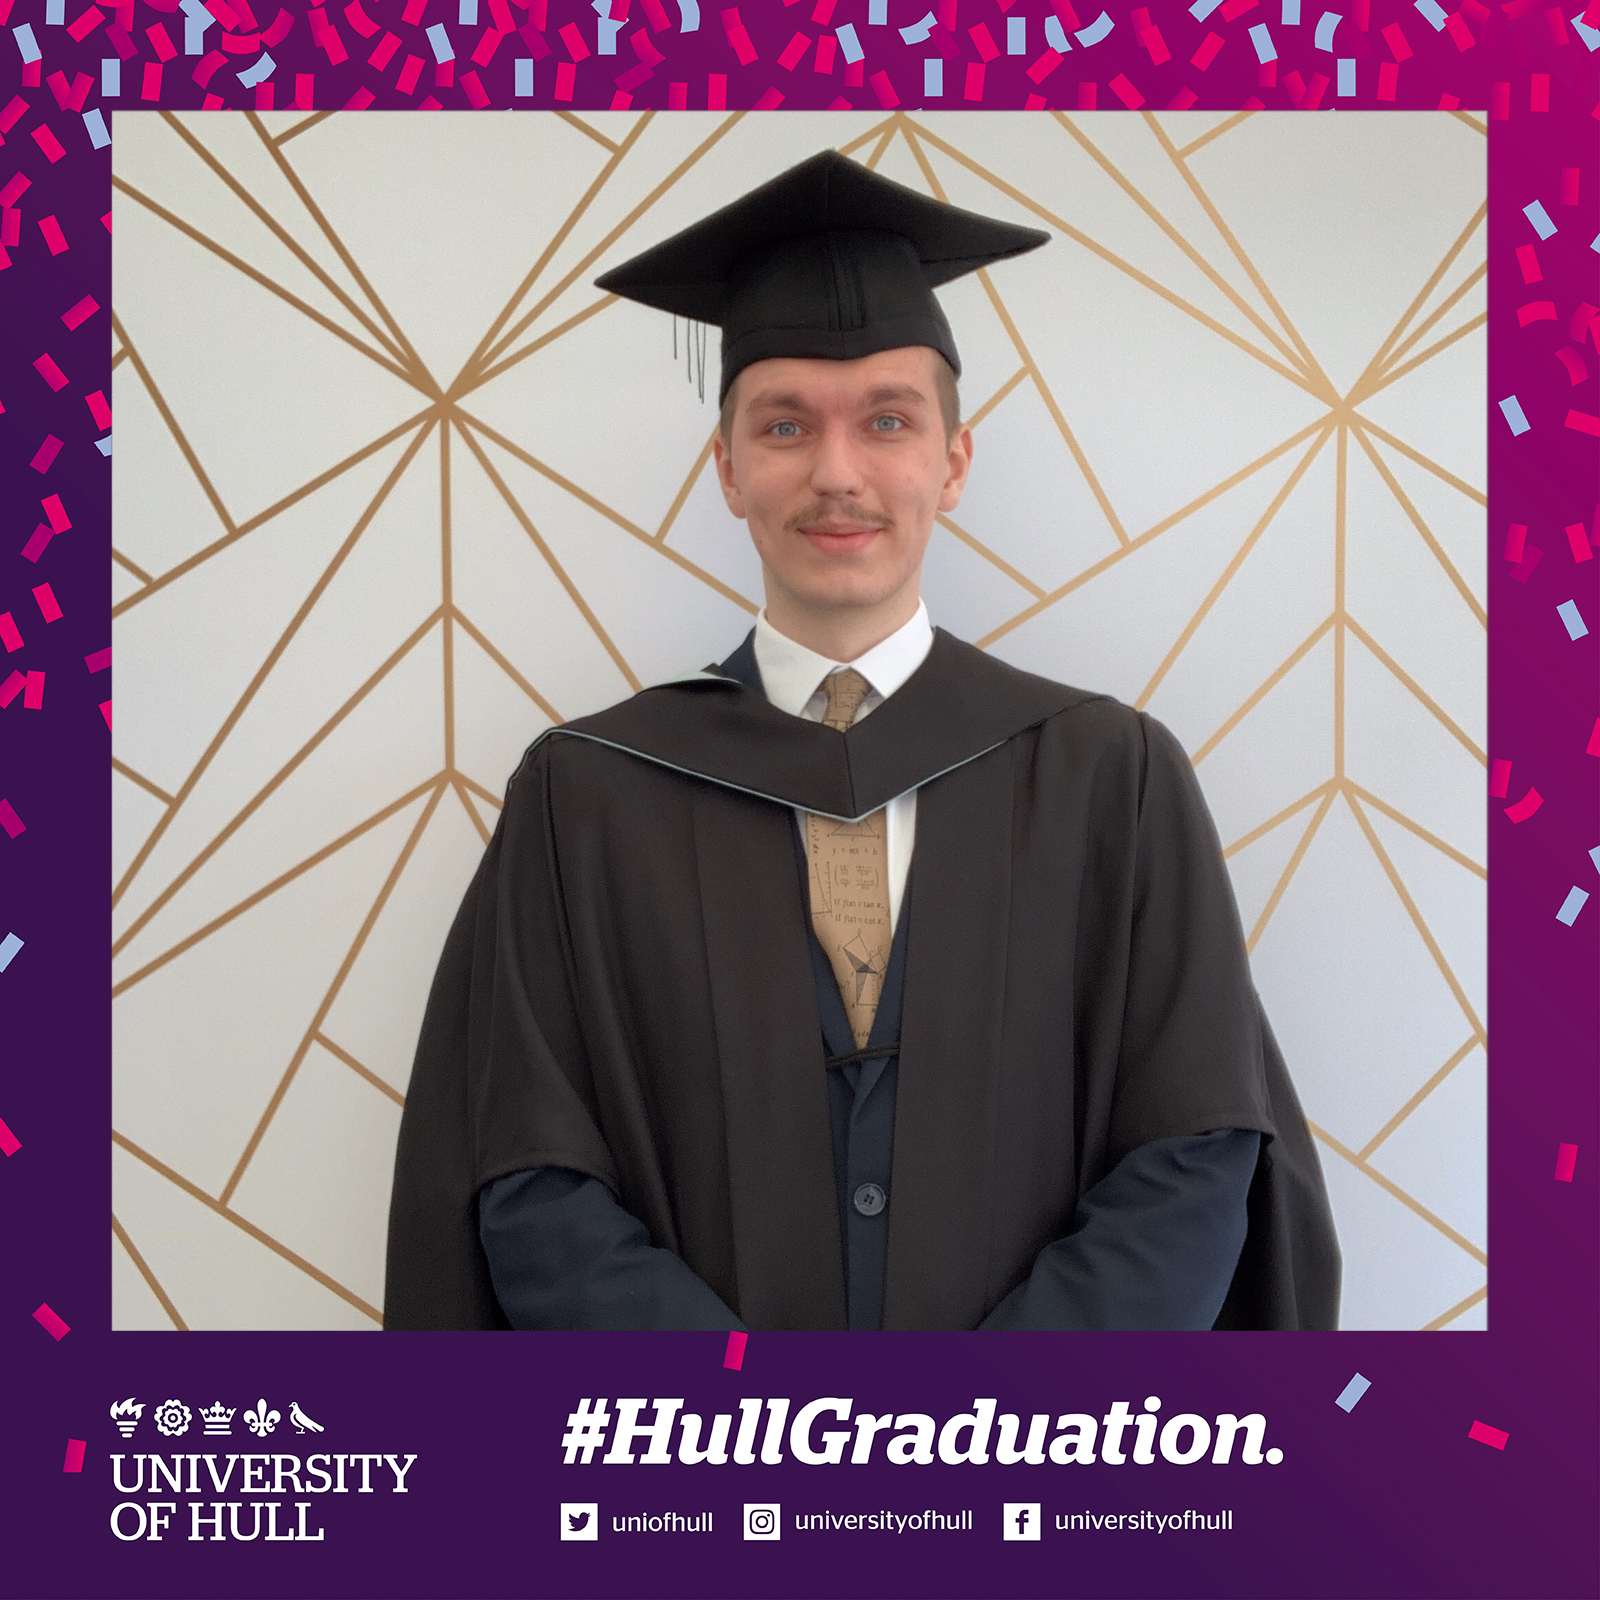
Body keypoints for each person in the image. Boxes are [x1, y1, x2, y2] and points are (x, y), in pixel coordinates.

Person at [384, 150, 1340, 1333]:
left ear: (952, 461)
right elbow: (529, 1172)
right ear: (728, 469)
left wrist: (982, 1416)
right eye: (785, 425)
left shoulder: (1111, 778)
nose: (836, 474)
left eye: (886, 421)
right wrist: (758, 1417)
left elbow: (1193, 1153)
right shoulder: (583, 798)